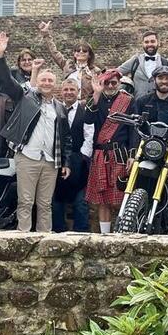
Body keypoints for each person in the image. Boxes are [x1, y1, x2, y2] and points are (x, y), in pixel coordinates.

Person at [0, 32, 73, 233]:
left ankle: (44, 239)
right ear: (38, 82)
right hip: (28, 157)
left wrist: (66, 162)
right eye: (43, 80)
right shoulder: (26, 98)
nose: (46, 83)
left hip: (50, 160)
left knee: (45, 204)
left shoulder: (60, 108)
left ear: (55, 85)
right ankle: (24, 237)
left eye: (50, 81)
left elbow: (66, 139)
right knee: (26, 201)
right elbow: (6, 81)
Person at [84, 69, 134, 234]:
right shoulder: (96, 100)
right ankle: (105, 235)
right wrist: (96, 94)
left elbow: (133, 130)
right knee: (103, 199)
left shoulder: (128, 101)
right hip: (100, 155)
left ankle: (123, 232)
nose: (111, 86)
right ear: (102, 83)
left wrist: (132, 156)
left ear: (119, 83)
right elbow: (88, 119)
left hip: (120, 154)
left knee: (121, 196)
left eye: (114, 83)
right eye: (107, 82)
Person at [53, 78, 94, 232]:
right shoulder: (54, 109)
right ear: (61, 91)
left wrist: (81, 158)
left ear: (78, 92)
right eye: (66, 90)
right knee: (56, 199)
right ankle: (58, 232)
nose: (69, 92)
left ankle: (81, 234)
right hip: (58, 158)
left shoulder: (86, 111)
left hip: (80, 160)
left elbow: (89, 135)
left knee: (81, 201)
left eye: (72, 90)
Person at [128, 66, 168, 147]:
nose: (164, 81)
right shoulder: (142, 102)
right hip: (145, 147)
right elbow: (133, 128)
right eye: (160, 78)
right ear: (154, 80)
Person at [38, 21, 101, 96]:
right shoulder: (67, 65)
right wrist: (46, 35)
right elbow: (54, 52)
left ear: (89, 55)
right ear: (74, 53)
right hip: (68, 102)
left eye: (84, 51)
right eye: (78, 50)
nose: (80, 52)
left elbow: (99, 90)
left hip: (86, 104)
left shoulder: (95, 71)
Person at [117, 31, 168, 98]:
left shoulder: (167, 63)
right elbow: (116, 72)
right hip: (138, 105)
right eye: (146, 42)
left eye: (152, 41)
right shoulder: (135, 60)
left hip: (161, 105)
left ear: (158, 43)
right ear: (143, 44)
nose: (149, 44)